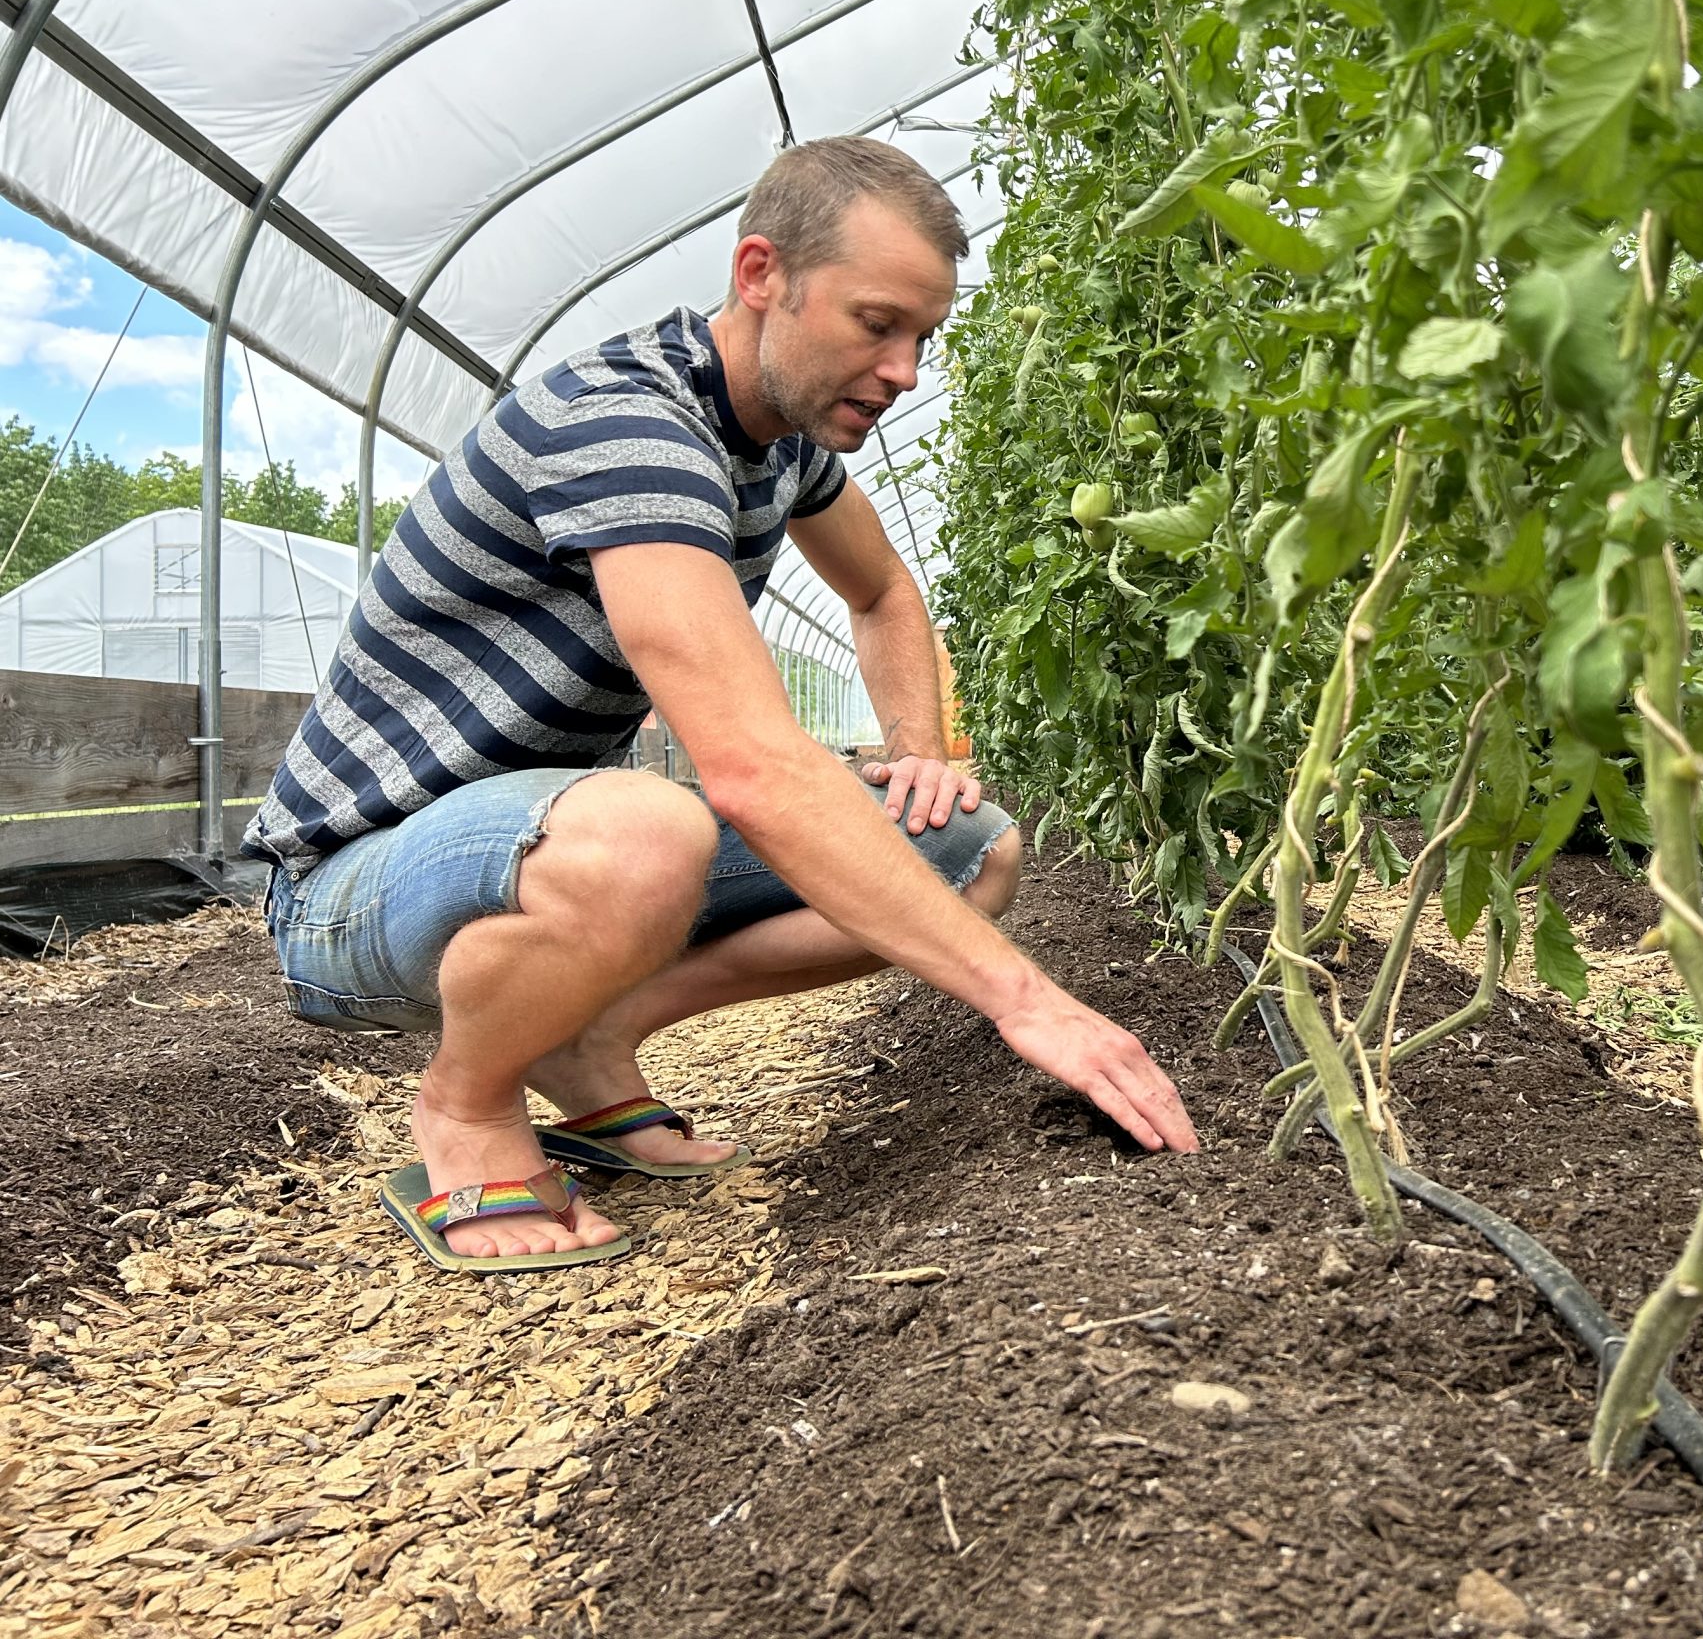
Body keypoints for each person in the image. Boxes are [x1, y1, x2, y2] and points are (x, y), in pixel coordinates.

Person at [244, 135, 1197, 1271]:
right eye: (875, 322)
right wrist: (1028, 1001)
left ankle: (595, 1035)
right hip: (355, 889)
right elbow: (749, 762)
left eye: (921, 339)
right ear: (761, 276)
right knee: (649, 830)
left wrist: (919, 749)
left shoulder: (782, 445)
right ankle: (466, 1105)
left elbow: (885, 591)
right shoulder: (627, 426)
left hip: (533, 842)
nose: (902, 370)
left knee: (966, 848)